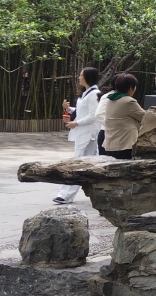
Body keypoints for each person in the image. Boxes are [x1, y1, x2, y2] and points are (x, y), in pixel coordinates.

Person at [54, 67, 102, 203]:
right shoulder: (86, 93)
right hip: (84, 133)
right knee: (88, 163)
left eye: (81, 75)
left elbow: (93, 116)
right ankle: (98, 191)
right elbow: (82, 111)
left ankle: (65, 195)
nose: (79, 77)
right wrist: (68, 109)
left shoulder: (94, 94)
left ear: (87, 77)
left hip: (88, 133)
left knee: (77, 162)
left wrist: (76, 123)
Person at [102, 73, 145, 160]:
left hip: (110, 144)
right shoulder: (128, 101)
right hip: (124, 144)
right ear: (131, 88)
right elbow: (145, 117)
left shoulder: (110, 99)